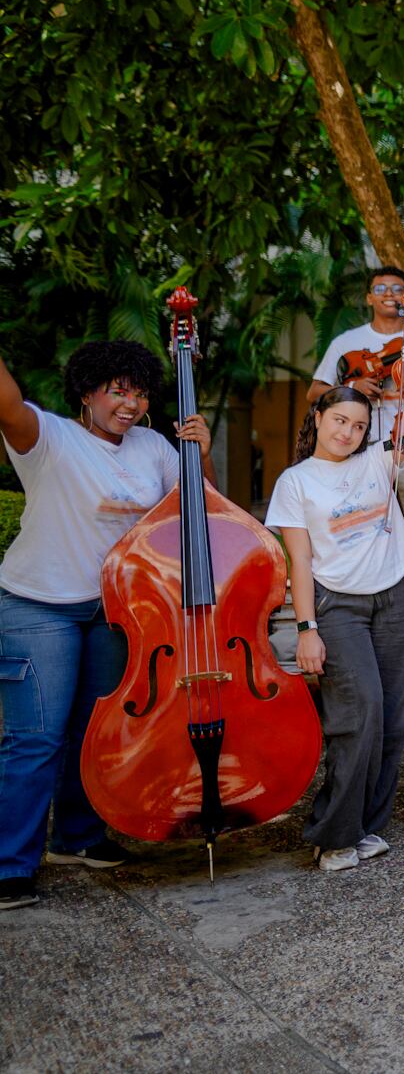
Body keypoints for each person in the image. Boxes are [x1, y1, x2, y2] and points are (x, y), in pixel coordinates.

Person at [0, 338, 206, 910]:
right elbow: (7, 404)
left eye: (140, 393)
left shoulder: (152, 446)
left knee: (97, 731)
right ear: (86, 392)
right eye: (118, 391)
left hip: (117, 609)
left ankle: (78, 838)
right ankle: (9, 866)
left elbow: (201, 507)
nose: (131, 404)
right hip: (39, 604)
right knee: (35, 738)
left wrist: (199, 452)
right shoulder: (49, 437)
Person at [266, 379, 404, 873]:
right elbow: (300, 559)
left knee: (394, 718)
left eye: (358, 425)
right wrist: (307, 627)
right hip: (339, 606)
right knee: (360, 714)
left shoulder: (378, 459)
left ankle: (368, 827)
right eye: (339, 421)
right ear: (318, 419)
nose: (348, 432)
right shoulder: (296, 481)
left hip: (395, 596)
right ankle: (333, 834)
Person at [307, 264, 404, 443]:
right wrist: (352, 389)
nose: (388, 293)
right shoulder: (345, 341)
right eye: (380, 288)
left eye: (397, 289)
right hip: (357, 443)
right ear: (369, 298)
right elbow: (314, 393)